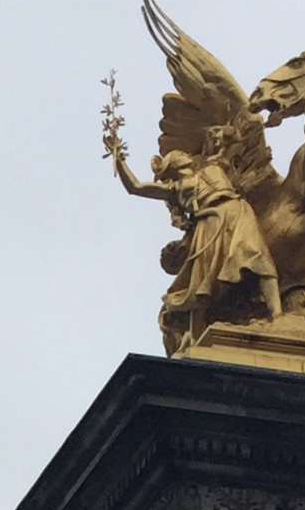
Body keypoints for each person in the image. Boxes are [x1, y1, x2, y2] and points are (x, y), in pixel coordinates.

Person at [108, 127, 282, 350]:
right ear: (174, 165)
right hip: (209, 224)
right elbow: (136, 187)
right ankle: (197, 339)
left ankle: (277, 313)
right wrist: (118, 157)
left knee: (257, 256)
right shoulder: (176, 188)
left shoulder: (214, 165)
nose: (186, 155)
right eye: (179, 156)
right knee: (203, 282)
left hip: (237, 210)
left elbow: (233, 138)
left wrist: (221, 133)